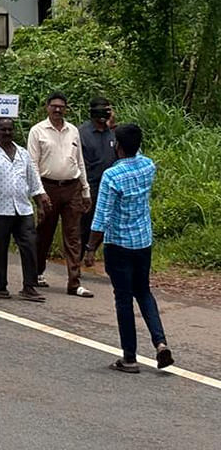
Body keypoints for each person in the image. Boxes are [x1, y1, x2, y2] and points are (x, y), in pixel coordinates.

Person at [84, 123, 175, 374]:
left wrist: (91, 247)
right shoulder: (148, 166)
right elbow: (135, 146)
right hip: (143, 241)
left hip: (119, 244)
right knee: (144, 292)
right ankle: (160, 342)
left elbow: (101, 216)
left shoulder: (112, 176)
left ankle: (129, 357)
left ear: (117, 146)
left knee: (123, 299)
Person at [28, 92, 94, 298]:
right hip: (48, 187)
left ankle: (74, 282)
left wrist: (85, 190)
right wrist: (39, 193)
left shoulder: (73, 131)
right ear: (47, 107)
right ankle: (36, 273)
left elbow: (80, 161)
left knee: (73, 235)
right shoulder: (37, 131)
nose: (57, 110)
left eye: (61, 107)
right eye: (54, 106)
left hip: (72, 187)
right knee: (44, 233)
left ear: (66, 109)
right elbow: (32, 164)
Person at [0, 118, 48, 301]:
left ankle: (29, 286)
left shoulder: (23, 153)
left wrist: (41, 200)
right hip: (0, 210)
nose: (7, 133)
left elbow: (33, 180)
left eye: (10, 130)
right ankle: (1, 286)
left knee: (30, 245)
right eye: (3, 130)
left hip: (23, 209)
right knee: (0, 249)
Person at [79, 97, 117, 261]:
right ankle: (76, 262)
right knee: (84, 226)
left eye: (106, 110)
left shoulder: (112, 133)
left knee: (106, 223)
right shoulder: (81, 133)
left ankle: (92, 252)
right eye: (101, 110)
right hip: (89, 186)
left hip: (110, 187)